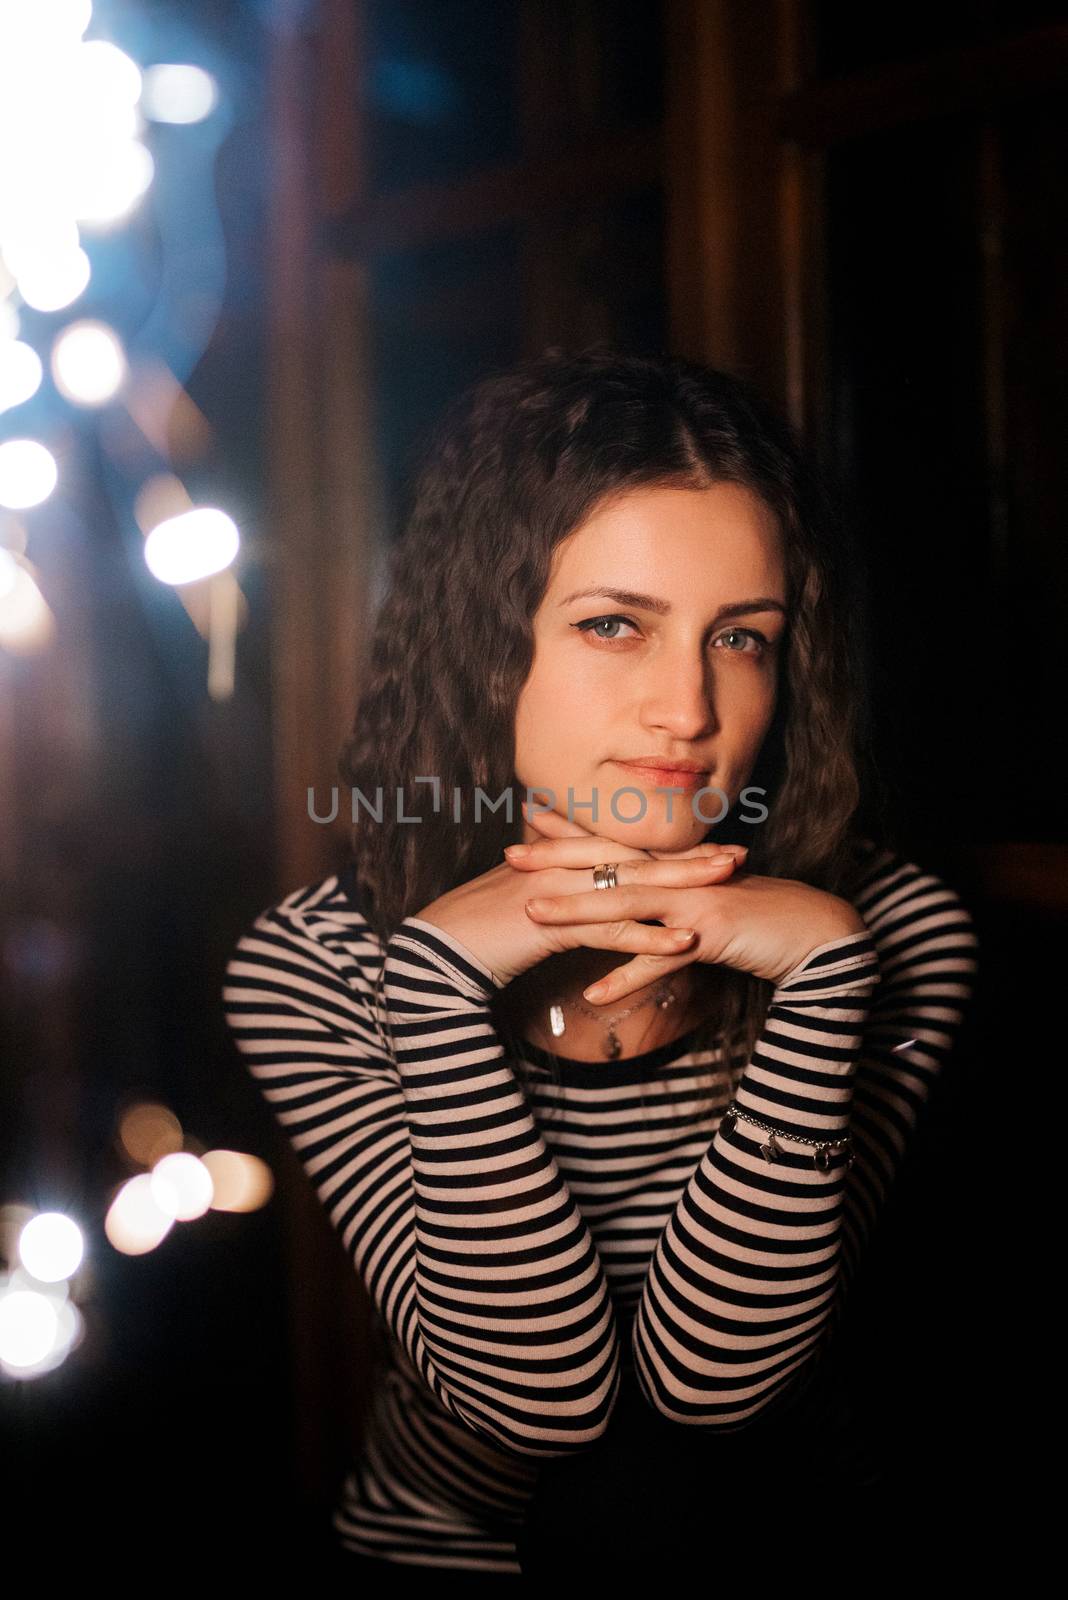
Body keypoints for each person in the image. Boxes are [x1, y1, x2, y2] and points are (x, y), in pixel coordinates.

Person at [221, 344, 978, 1576]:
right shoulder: (312, 962)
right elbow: (541, 1404)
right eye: (614, 625)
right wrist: (433, 985)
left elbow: (717, 1386)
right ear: (487, 642)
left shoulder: (888, 930)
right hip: (449, 1556)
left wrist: (828, 984)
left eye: (742, 638)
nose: (686, 706)